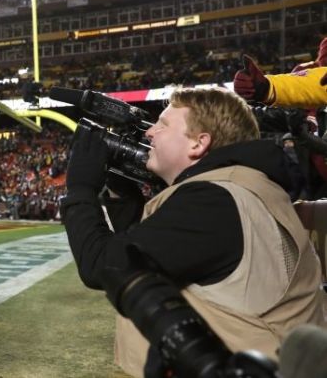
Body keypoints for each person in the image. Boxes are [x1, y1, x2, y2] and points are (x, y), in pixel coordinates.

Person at [61, 87, 325, 378]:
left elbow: (107, 265)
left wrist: (80, 189)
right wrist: (123, 194)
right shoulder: (237, 185)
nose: (150, 133)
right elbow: (162, 255)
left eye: (163, 124)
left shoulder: (213, 199)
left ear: (199, 143)